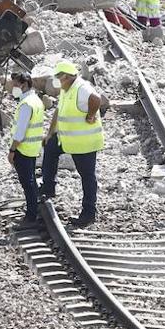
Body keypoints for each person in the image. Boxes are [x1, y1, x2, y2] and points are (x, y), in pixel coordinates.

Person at [40, 60, 105, 228]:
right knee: (50, 147)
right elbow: (58, 111)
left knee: (87, 176)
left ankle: (89, 213)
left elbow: (96, 98)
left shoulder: (82, 88)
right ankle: (48, 188)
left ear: (67, 77)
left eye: (58, 77)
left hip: (84, 143)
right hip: (67, 139)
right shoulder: (66, 89)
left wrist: (91, 116)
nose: (56, 81)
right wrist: (50, 133)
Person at [6, 70, 45, 231]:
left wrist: (12, 150)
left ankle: (31, 217)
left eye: (15, 84)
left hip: (22, 149)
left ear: (23, 84)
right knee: (31, 181)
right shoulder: (36, 100)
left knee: (27, 183)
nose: (13, 88)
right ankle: (35, 210)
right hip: (32, 148)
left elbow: (20, 132)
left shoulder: (26, 105)